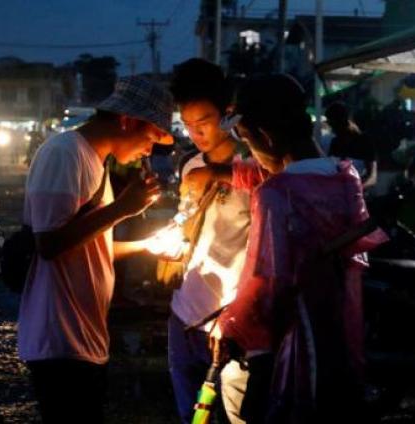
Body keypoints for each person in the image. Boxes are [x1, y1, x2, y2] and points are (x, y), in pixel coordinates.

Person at [212, 75, 387, 423]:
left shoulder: (276, 193)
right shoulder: (345, 177)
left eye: (248, 141)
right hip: (340, 326)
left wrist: (228, 325)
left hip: (292, 340)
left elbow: (267, 283)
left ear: (265, 135)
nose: (252, 155)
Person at [18, 75, 172, 424]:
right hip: (59, 338)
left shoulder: (93, 160)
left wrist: (149, 246)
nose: (150, 150)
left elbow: (92, 246)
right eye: (151, 138)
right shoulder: (64, 153)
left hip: (84, 336)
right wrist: (123, 209)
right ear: (128, 120)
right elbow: (49, 244)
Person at [166, 58, 250, 424]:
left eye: (204, 122)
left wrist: (218, 174)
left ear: (227, 113)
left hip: (232, 318)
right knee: (192, 416)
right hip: (185, 311)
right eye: (188, 125)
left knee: (237, 416)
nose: (195, 133)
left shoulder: (255, 166)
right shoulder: (189, 166)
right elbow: (188, 222)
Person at [324, 102, 378, 188]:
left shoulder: (364, 141)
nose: (331, 127)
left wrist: (359, 189)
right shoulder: (335, 142)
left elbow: (373, 177)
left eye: (332, 123)